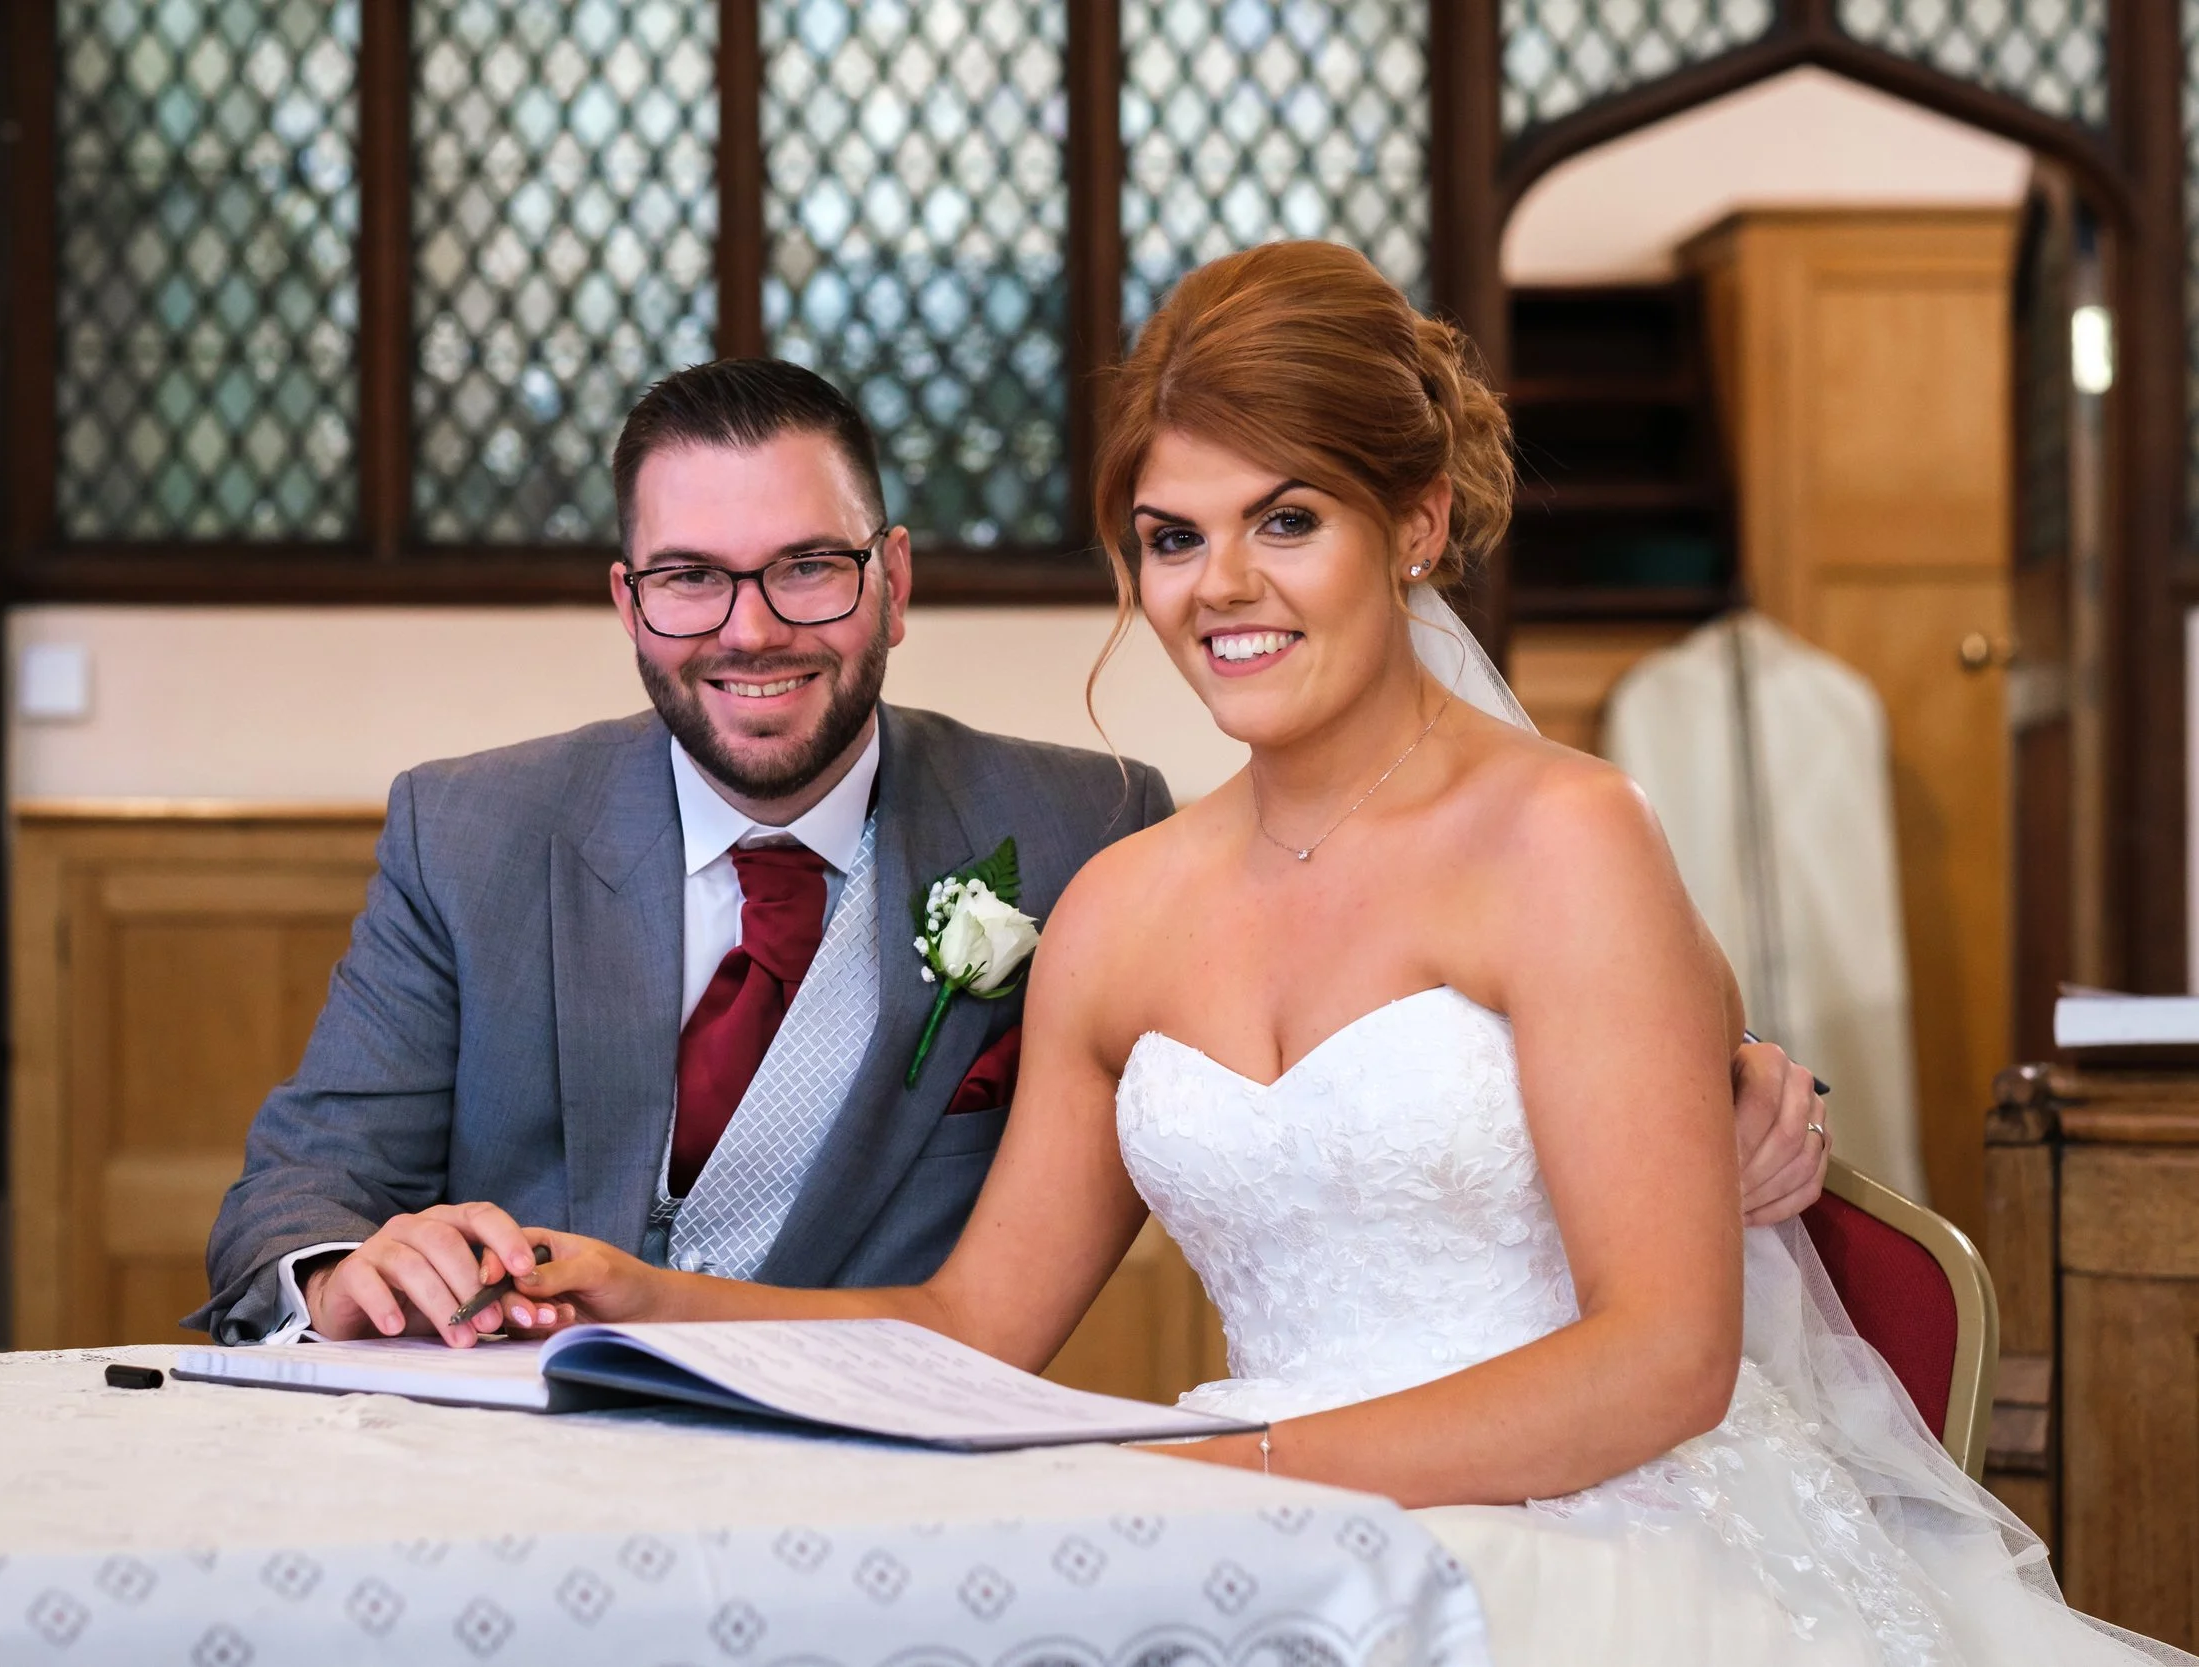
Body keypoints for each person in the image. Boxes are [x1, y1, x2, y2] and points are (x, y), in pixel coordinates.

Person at [499, 247, 2187, 1667]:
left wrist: (1246, 1464)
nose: (1222, 586)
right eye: (1171, 537)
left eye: (1285, 520)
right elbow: (969, 1324)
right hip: (1260, 1542)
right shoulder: (1121, 903)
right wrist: (645, 1298)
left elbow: (1664, 1355)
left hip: (1593, 1546)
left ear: (1422, 523)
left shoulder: (1568, 838)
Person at [192, 354, 1828, 1351]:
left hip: (887, 1513)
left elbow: (1482, 947)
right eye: (690, 576)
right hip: (496, 1486)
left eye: (810, 569)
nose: (750, 629)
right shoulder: (468, 831)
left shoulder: (1084, 834)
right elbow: (297, 1187)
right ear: (627, 603)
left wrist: (1725, 1066)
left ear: (897, 581)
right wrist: (345, 1269)